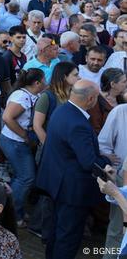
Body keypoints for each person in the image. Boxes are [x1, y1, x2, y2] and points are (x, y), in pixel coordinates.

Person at [35, 79, 113, 259]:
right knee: (68, 237)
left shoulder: (61, 110)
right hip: (72, 190)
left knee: (56, 230)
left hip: (57, 183)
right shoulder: (78, 123)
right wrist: (107, 160)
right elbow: (88, 162)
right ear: (91, 99)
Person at [0, 68, 46, 227]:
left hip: (16, 142)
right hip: (14, 142)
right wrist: (24, 135)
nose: (46, 83)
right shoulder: (22, 97)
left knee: (21, 176)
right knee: (26, 177)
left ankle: (13, 209)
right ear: (37, 83)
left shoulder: (32, 94)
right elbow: (7, 117)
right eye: (44, 80)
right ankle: (13, 214)